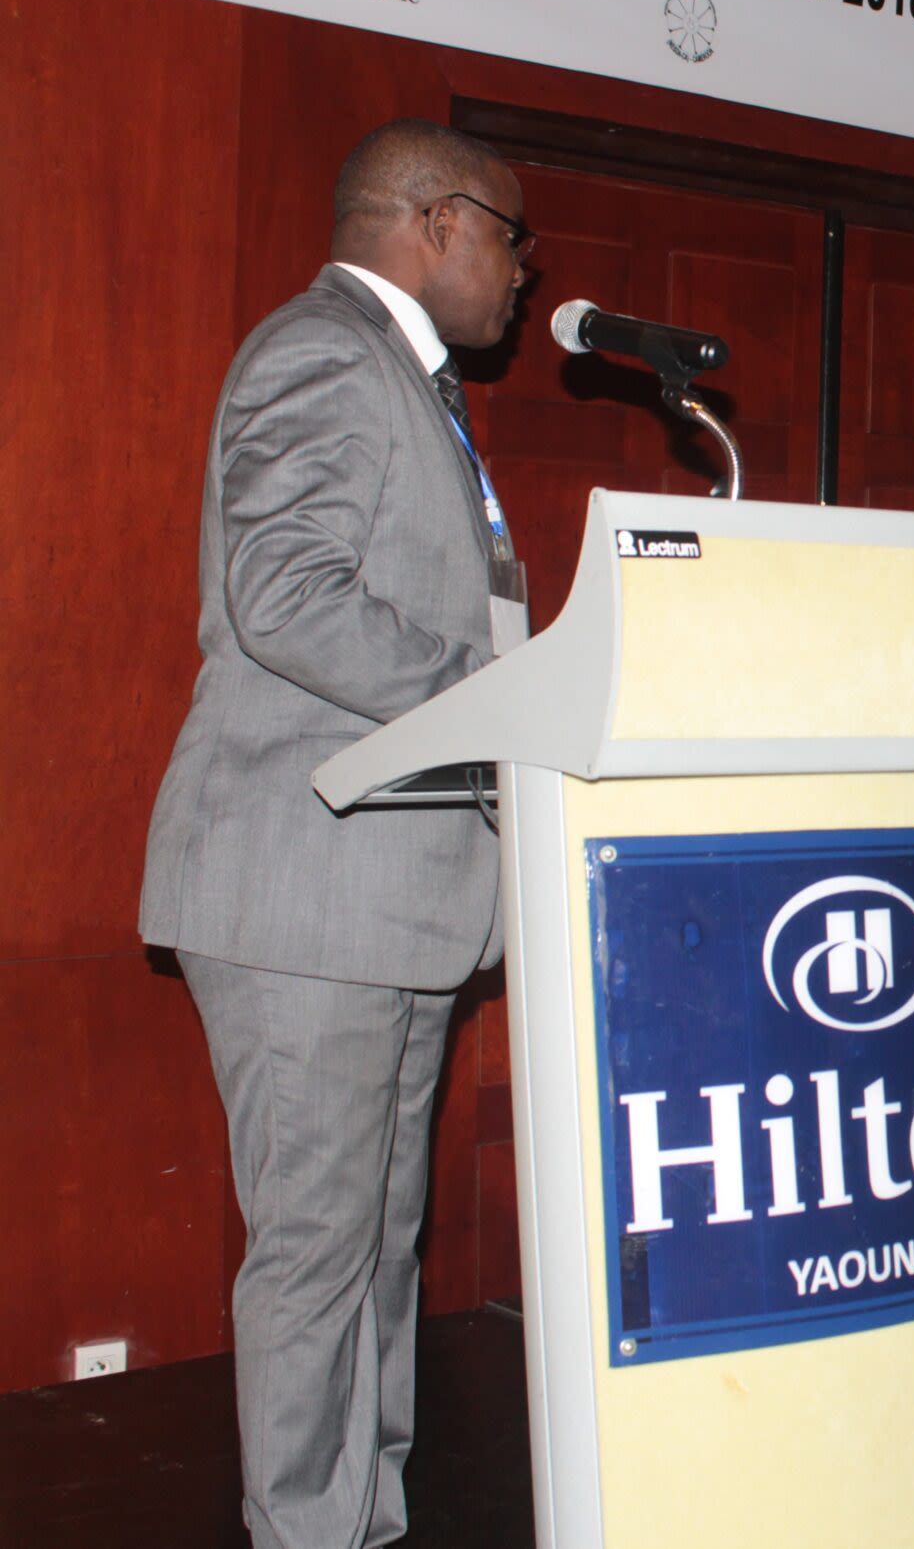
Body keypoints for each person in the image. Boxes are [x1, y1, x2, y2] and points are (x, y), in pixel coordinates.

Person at [137, 120, 534, 1549]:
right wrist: (495, 695)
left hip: (395, 897)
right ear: (437, 221)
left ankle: (363, 1516)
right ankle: (312, 1527)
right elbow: (287, 594)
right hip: (308, 893)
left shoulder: (409, 385)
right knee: (318, 1251)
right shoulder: (321, 352)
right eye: (511, 237)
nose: (523, 272)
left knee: (375, 1247)